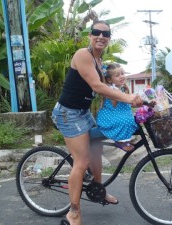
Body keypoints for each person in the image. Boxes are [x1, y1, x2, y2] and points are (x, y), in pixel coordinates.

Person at [51, 20, 142, 225]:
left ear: (109, 39)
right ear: (90, 36)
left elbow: (110, 85)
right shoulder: (83, 55)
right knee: (82, 162)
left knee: (96, 150)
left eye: (105, 33)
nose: (100, 36)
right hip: (68, 114)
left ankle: (98, 191)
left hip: (83, 113)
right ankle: (73, 212)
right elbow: (97, 86)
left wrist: (137, 99)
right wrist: (127, 98)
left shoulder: (99, 63)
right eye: (96, 32)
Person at [96, 63, 138, 151]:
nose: (122, 76)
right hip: (109, 116)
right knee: (126, 120)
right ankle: (121, 141)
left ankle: (126, 139)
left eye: (122, 73)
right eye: (117, 75)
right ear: (109, 80)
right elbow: (126, 99)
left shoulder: (122, 88)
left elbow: (132, 102)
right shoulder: (112, 90)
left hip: (118, 113)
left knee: (134, 118)